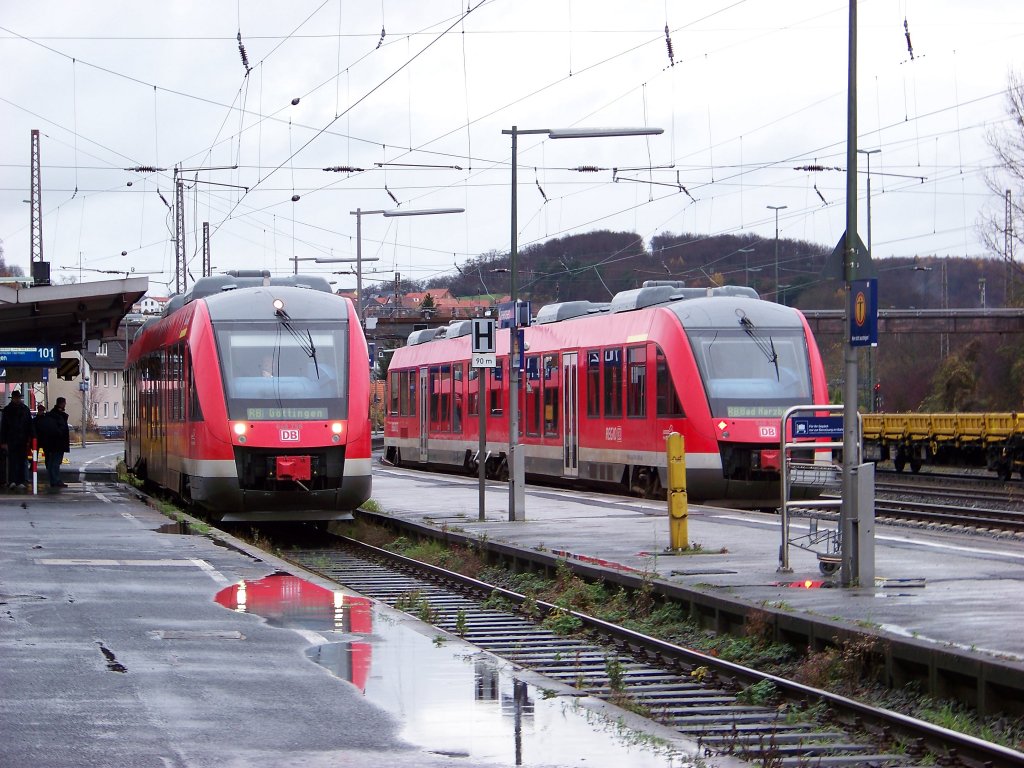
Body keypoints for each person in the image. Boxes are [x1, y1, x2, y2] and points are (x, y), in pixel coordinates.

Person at [0, 390, 34, 489]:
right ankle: (14, 480)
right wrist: (3, 441)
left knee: (19, 460)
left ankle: (18, 480)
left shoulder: (15, 410)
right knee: (14, 461)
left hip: (19, 439)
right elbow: (4, 427)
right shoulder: (22, 409)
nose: (17, 399)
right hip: (15, 439)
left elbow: (29, 425)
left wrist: (31, 437)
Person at [36, 397, 71, 490]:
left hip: (50, 444)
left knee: (51, 463)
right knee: (55, 463)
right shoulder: (59, 416)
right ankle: (55, 480)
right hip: (58, 443)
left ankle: (54, 480)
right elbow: (60, 430)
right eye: (64, 403)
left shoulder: (50, 415)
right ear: (62, 404)